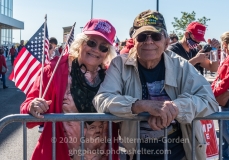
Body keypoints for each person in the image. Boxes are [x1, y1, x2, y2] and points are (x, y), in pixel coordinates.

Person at [93, 10, 219, 160]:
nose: (148, 41)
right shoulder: (120, 64)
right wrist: (141, 105)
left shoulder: (180, 65)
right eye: (142, 36)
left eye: (156, 36)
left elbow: (208, 99)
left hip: (180, 152)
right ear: (134, 41)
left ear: (166, 42)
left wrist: (174, 108)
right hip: (137, 153)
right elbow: (102, 99)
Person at [20, 18, 118, 160]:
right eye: (91, 43)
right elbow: (27, 111)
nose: (96, 50)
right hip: (60, 153)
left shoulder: (111, 75)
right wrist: (32, 106)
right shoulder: (54, 70)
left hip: (101, 155)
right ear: (80, 43)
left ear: (107, 52)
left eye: (103, 47)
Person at [212, 32, 229, 160]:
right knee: (224, 130)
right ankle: (224, 156)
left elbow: (227, 80)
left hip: (228, 96)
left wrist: (213, 93)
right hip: (228, 96)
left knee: (225, 130)